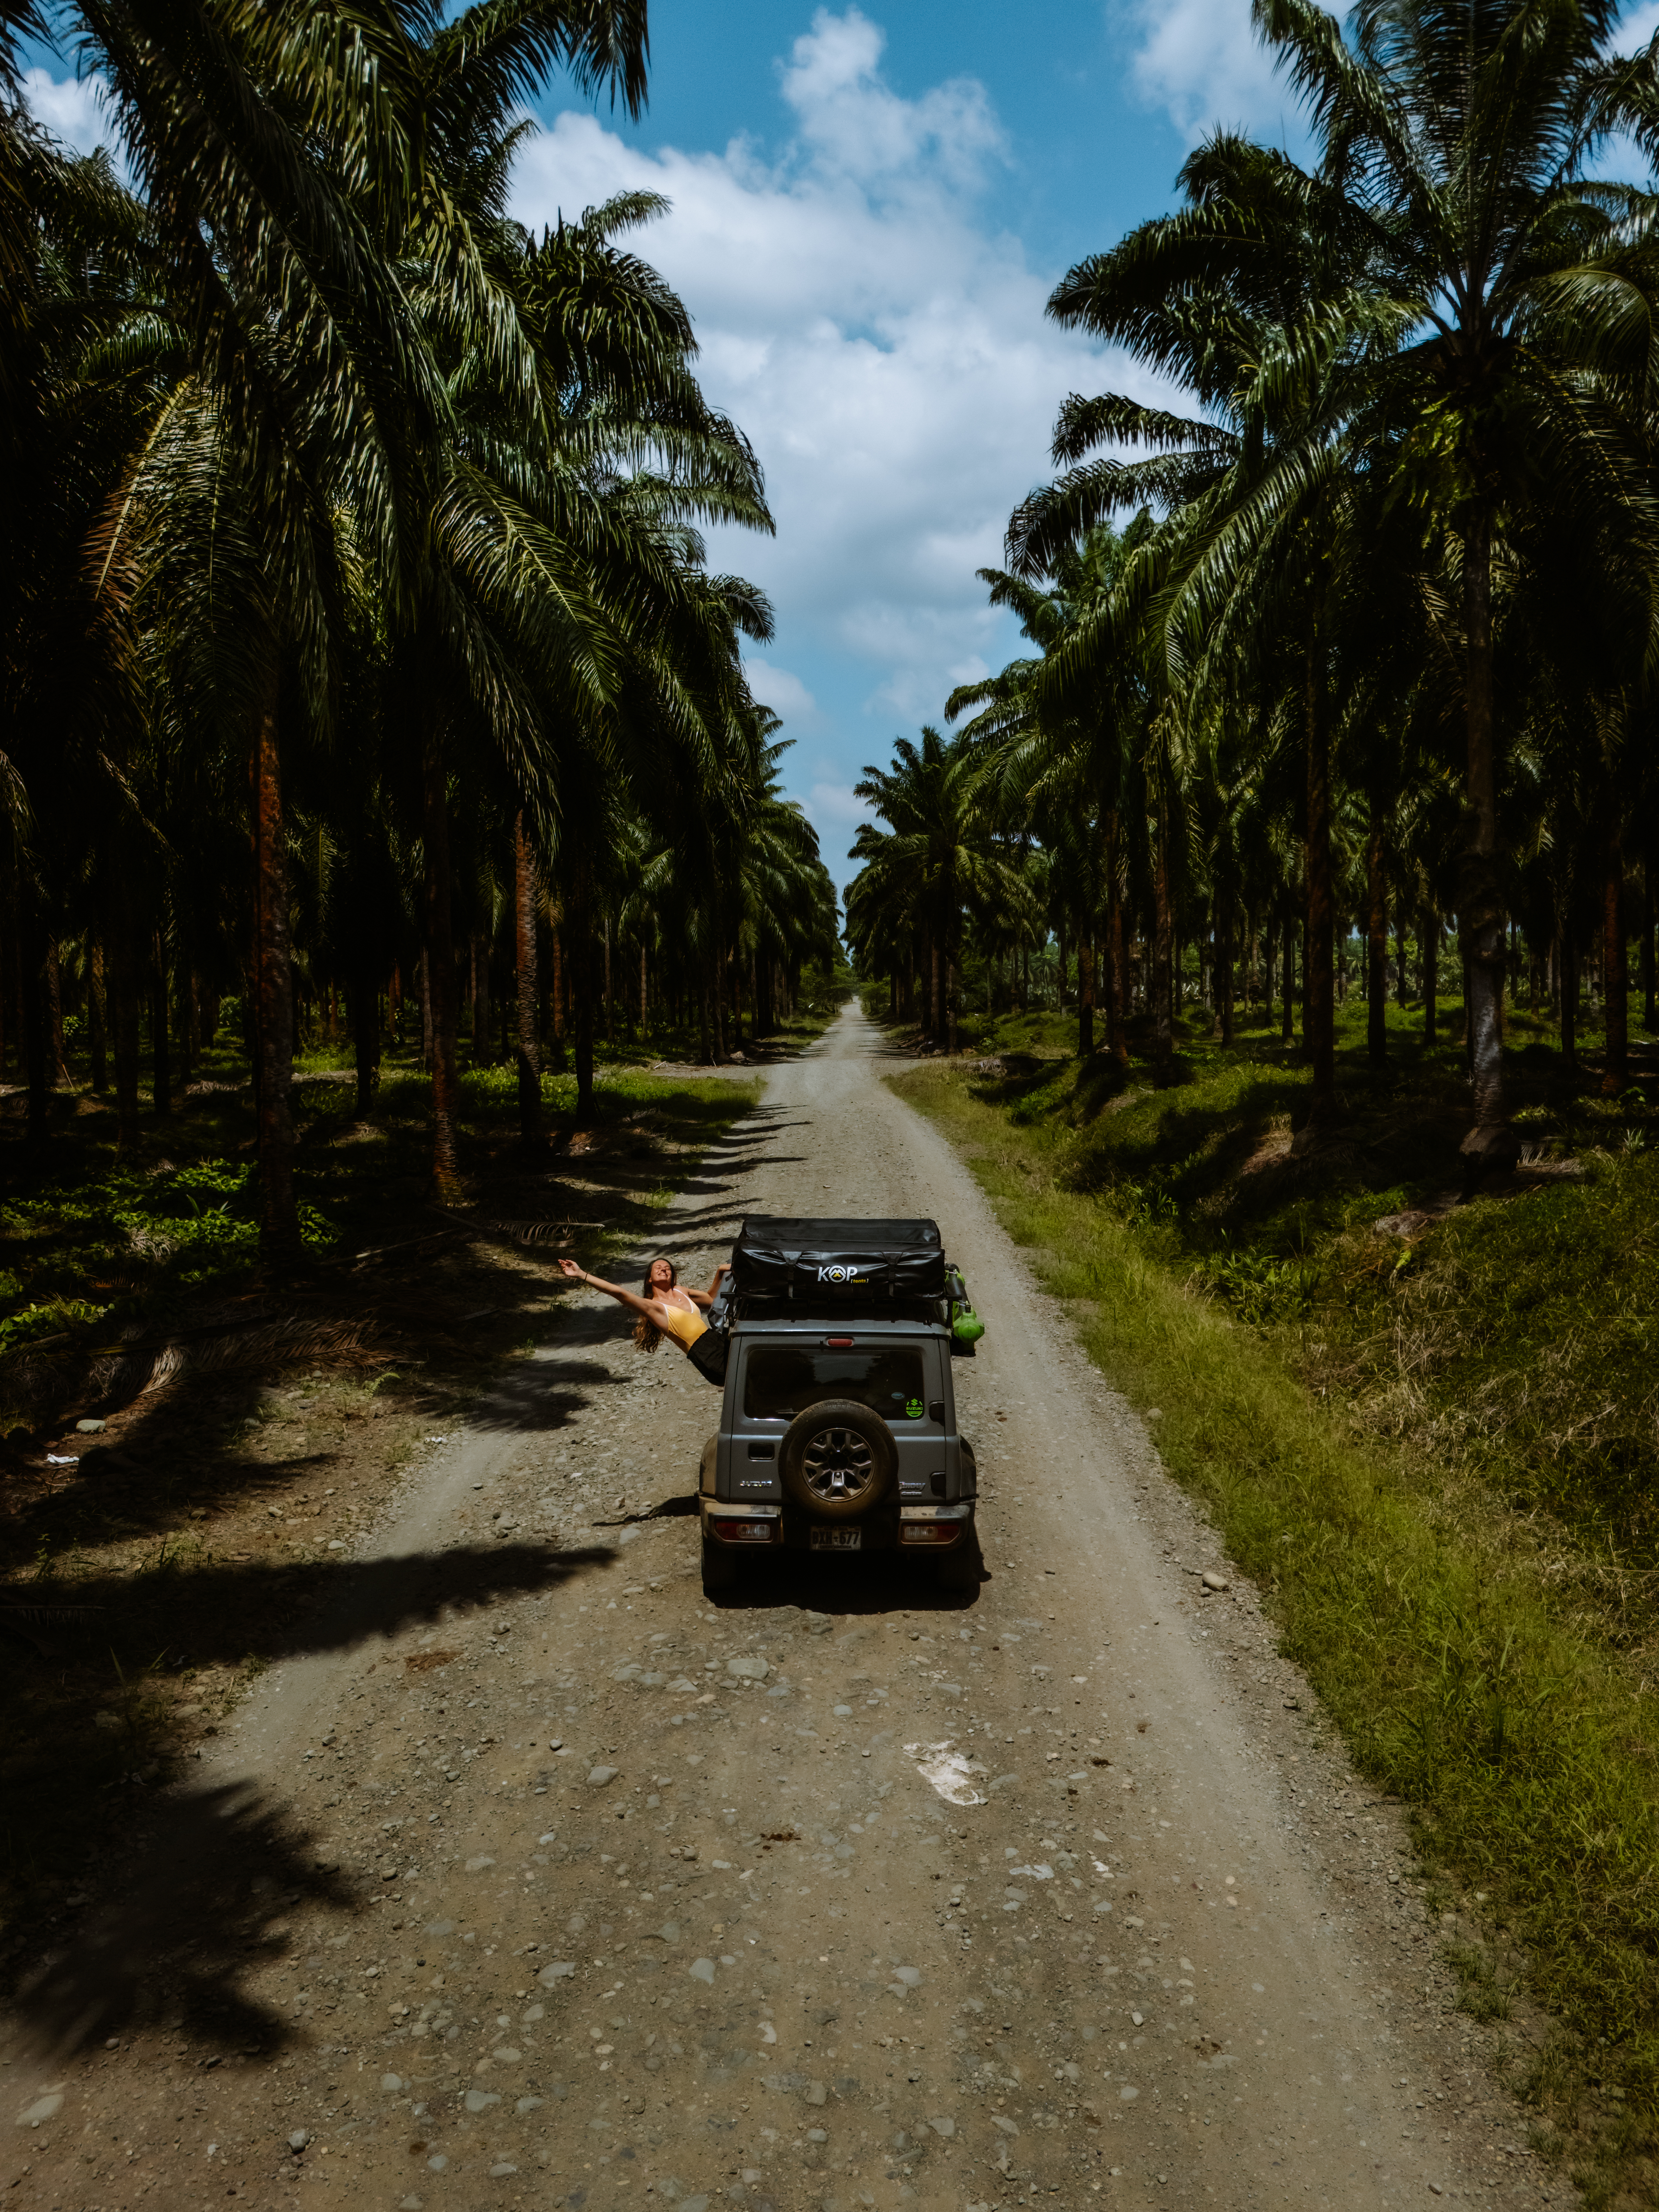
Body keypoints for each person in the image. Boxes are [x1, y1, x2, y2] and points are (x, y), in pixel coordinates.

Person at [557, 1254, 729, 1359]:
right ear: (650, 1279)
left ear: (673, 1277)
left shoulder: (681, 1291)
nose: (664, 1270)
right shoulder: (653, 1307)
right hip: (705, 1354)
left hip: (715, 1341)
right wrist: (582, 1274)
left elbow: (711, 1300)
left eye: (668, 1268)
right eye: (658, 1268)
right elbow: (619, 1293)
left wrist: (721, 1271)